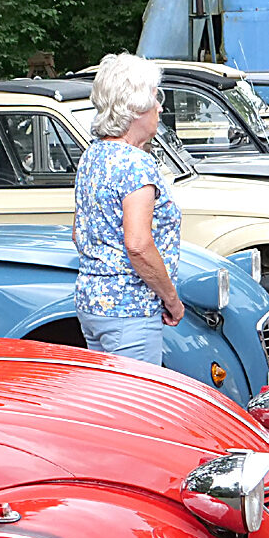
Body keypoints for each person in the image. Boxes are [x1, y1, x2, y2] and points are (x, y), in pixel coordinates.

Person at [72, 52, 182, 363]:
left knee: (111, 404)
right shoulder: (137, 164)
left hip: (91, 307)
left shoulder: (92, 157)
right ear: (135, 108)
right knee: (139, 408)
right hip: (130, 311)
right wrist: (171, 300)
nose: (160, 107)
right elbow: (138, 245)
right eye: (154, 97)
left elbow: (79, 236)